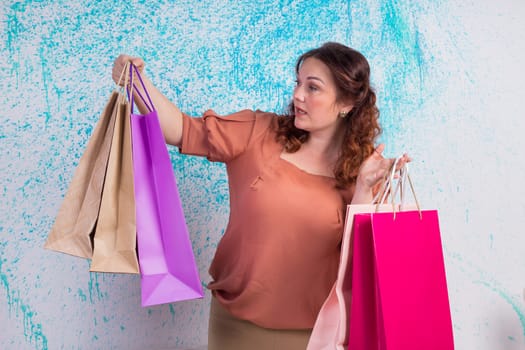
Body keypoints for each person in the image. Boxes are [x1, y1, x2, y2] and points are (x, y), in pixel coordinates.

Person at [112, 42, 409, 350]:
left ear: (346, 102)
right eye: (298, 83)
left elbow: (358, 271)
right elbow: (179, 130)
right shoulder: (258, 133)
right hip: (235, 326)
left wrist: (363, 191)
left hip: (314, 335)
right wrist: (137, 82)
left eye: (313, 88)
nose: (297, 95)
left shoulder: (362, 173)